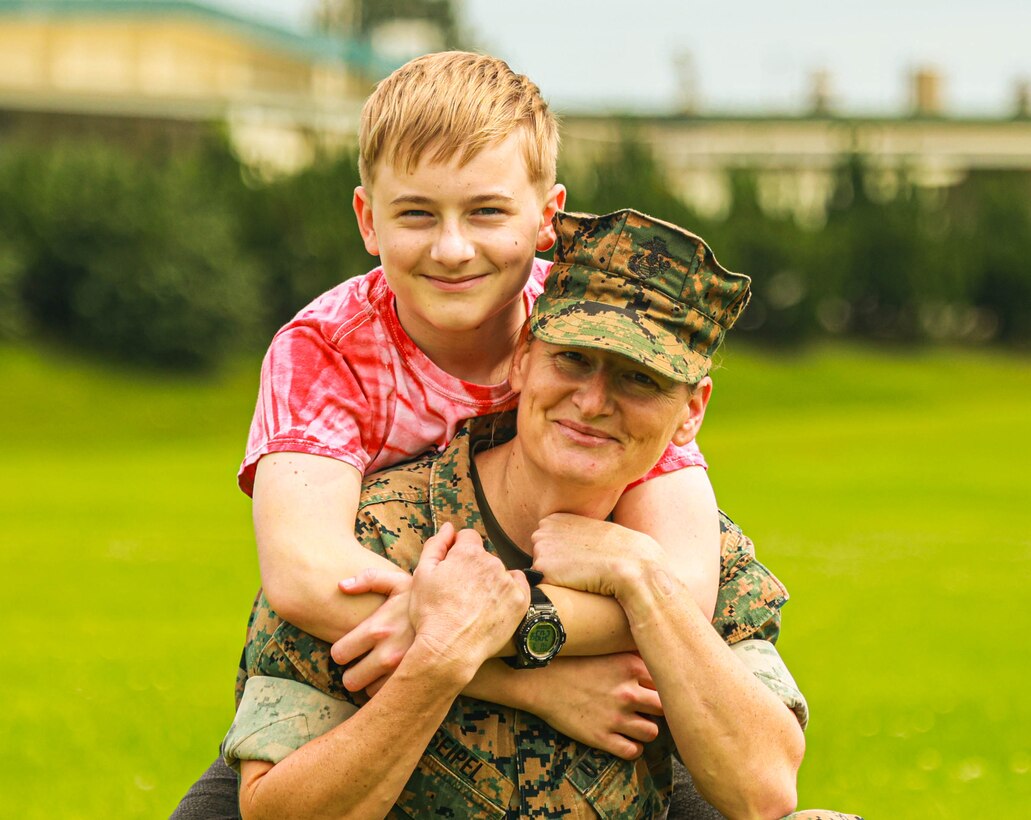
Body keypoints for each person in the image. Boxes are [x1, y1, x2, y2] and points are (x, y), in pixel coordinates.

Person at [172, 50, 731, 816]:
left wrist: (493, 627)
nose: (452, 247)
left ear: (546, 217)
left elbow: (684, 586)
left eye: (486, 211)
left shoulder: (593, 342)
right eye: (417, 213)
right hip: (382, 677)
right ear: (368, 219)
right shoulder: (327, 348)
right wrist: (512, 675)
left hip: (570, 664)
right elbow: (307, 576)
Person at [221, 209, 815, 818]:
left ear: (691, 411)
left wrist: (647, 583)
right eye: (573, 360)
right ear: (523, 358)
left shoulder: (685, 549)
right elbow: (271, 810)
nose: (591, 402)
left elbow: (763, 790)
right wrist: (441, 662)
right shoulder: (372, 537)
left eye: (639, 379)